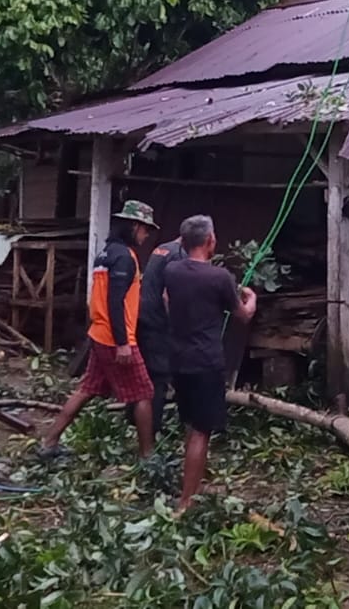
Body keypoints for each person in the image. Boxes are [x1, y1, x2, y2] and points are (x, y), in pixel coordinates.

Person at [38, 200, 161, 460]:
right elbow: (115, 301)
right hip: (116, 338)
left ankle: (49, 442)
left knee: (87, 389)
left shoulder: (106, 253)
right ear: (135, 226)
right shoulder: (125, 257)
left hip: (99, 334)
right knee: (143, 394)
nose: (146, 234)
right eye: (145, 229)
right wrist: (123, 342)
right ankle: (148, 457)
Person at [162, 214, 256, 511]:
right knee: (201, 430)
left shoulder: (172, 270)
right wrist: (251, 297)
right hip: (206, 362)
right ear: (210, 240)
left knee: (191, 426)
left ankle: (192, 487)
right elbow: (243, 315)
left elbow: (166, 299)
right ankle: (186, 501)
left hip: (177, 360)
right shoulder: (220, 278)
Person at [136, 233, 186, 434]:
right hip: (158, 322)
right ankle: (152, 429)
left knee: (143, 373)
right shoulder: (178, 255)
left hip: (143, 318)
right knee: (158, 378)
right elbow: (168, 295)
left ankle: (134, 419)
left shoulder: (162, 248)